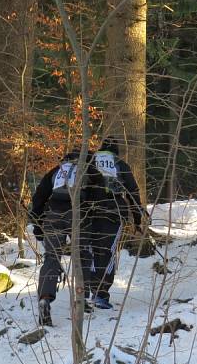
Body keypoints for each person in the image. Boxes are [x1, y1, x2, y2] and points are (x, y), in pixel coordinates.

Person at [29, 151, 93, 327]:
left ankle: (44, 298)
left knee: (52, 257)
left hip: (53, 215)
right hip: (77, 215)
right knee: (82, 256)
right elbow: (96, 198)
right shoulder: (87, 170)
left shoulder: (56, 171)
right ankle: (82, 298)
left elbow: (39, 198)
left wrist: (37, 225)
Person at [82, 138, 143, 309]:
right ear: (116, 151)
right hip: (113, 213)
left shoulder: (89, 161)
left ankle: (85, 292)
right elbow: (132, 191)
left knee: (90, 251)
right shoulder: (119, 164)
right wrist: (137, 218)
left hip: (89, 213)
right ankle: (100, 295)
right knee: (107, 252)